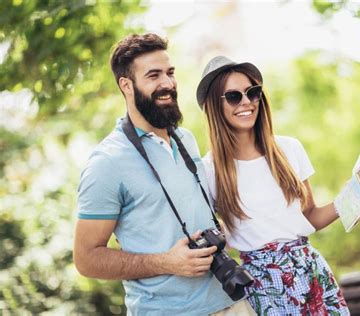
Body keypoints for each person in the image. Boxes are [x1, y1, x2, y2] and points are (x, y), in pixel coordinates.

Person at [73, 34, 255, 315]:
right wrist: (166, 262)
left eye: (170, 73)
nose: (167, 84)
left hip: (231, 300)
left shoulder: (186, 139)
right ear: (126, 85)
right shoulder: (107, 162)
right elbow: (86, 259)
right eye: (153, 75)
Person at [196, 56, 350, 315]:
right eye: (234, 96)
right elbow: (211, 235)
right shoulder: (208, 170)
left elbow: (310, 216)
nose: (246, 102)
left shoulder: (289, 148)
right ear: (215, 106)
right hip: (263, 287)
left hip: (311, 272)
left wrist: (349, 199)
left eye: (252, 93)